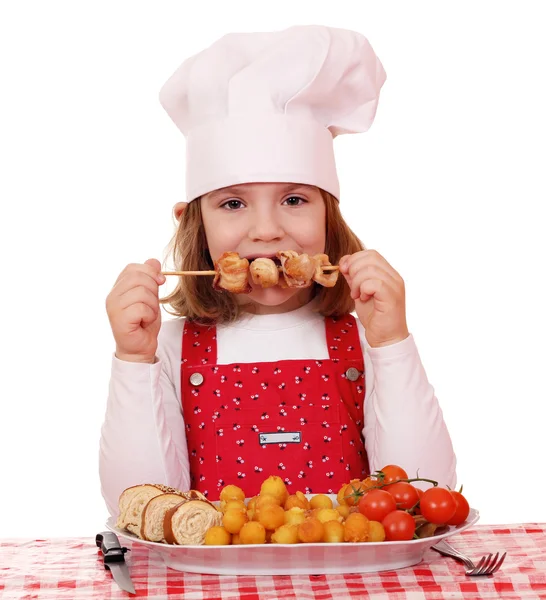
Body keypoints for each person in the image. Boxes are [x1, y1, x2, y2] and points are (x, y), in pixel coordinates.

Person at [100, 25, 456, 517]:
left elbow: (423, 499)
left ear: (329, 219)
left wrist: (392, 342)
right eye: (232, 203)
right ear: (193, 223)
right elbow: (141, 511)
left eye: (294, 199)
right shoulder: (171, 347)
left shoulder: (362, 340)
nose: (265, 231)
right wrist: (133, 362)